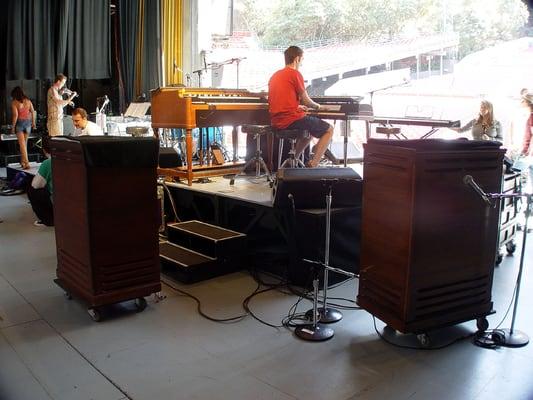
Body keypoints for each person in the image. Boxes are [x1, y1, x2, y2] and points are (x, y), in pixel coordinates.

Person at [268, 45, 333, 168]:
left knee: (309, 132)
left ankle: (294, 160)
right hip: (290, 120)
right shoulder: (295, 74)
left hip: (277, 121)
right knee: (329, 129)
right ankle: (313, 164)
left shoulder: (275, 76)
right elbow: (306, 101)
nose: (301, 63)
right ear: (297, 59)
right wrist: (319, 107)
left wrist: (297, 107)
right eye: (302, 60)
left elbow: (280, 101)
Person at [28, 136, 54, 226]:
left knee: (33, 191)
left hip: (57, 199)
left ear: (44, 150)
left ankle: (48, 219)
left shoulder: (47, 163)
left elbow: (36, 185)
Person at [11, 86, 36, 169]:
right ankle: (23, 162)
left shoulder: (14, 102)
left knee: (22, 145)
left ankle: (27, 163)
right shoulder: (28, 101)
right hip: (28, 123)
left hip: (20, 124)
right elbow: (33, 111)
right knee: (24, 144)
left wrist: (13, 127)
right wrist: (33, 123)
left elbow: (15, 115)